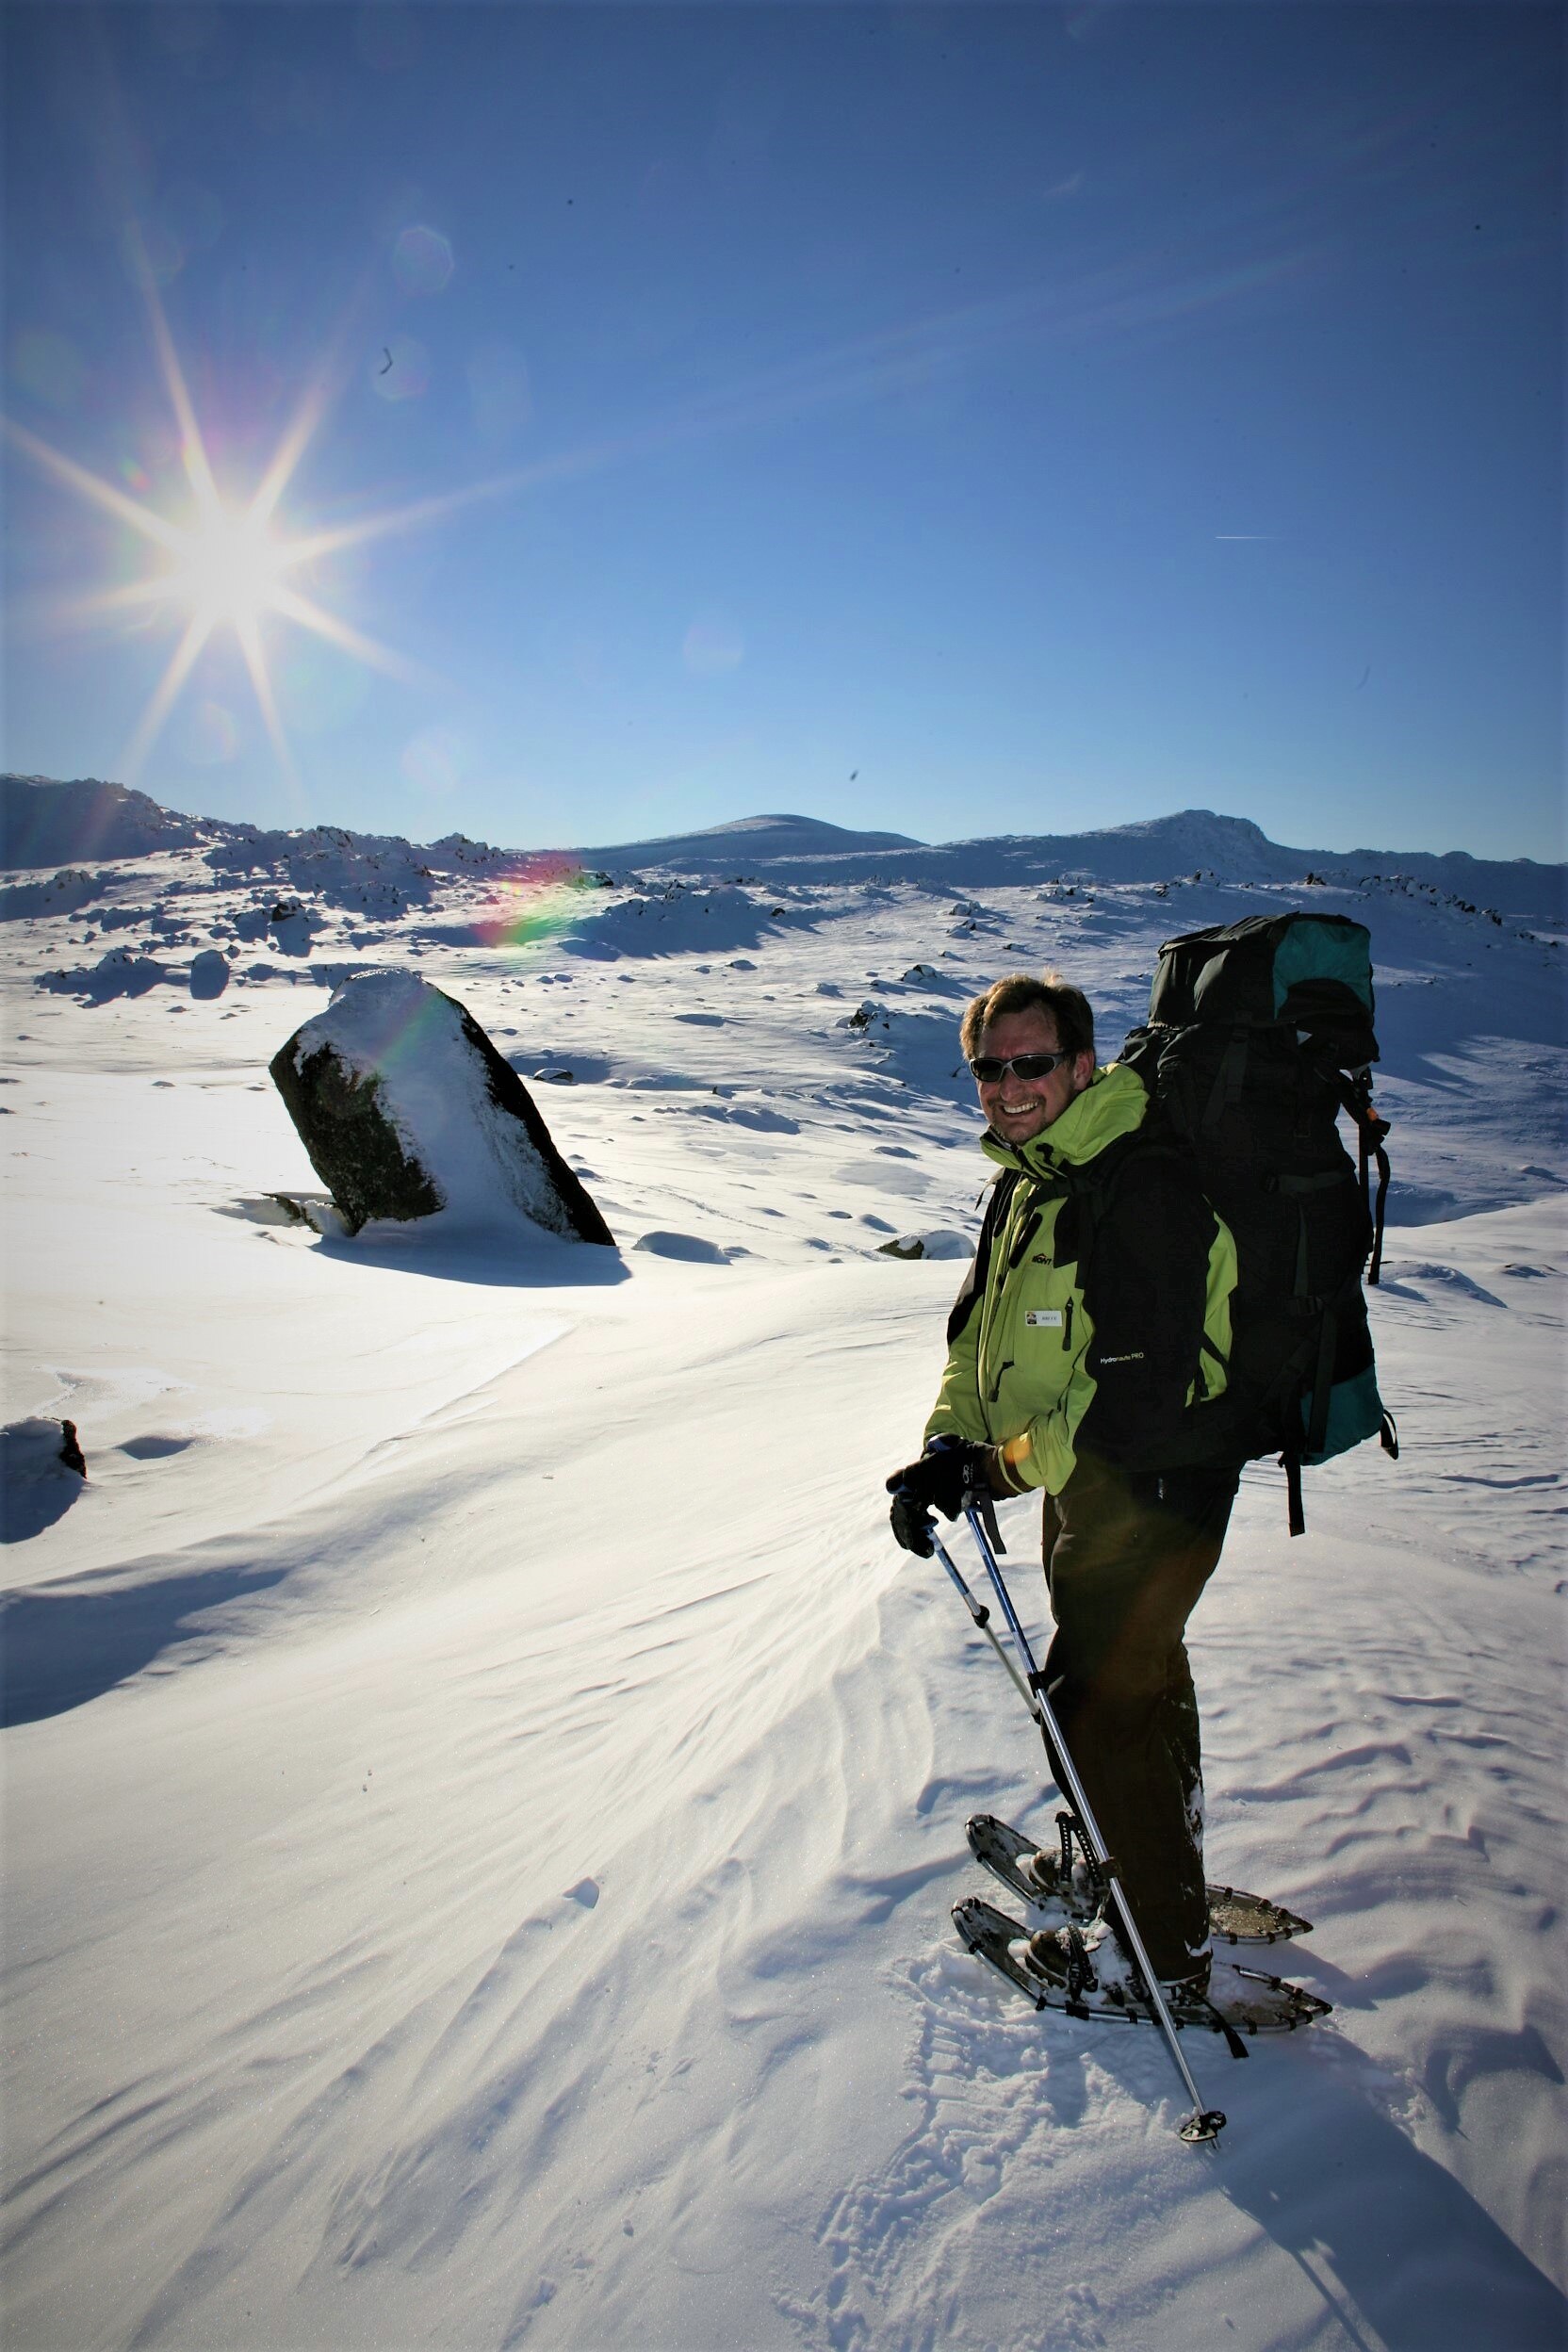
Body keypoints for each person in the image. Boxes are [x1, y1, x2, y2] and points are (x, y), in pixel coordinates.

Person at [885, 972, 1240, 1997]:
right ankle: (1146, 1864)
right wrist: (947, 1443)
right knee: (1133, 1685)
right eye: (988, 1068)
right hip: (1085, 1491)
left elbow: (1119, 1404)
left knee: (1092, 1710)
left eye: (1030, 1063)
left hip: (1155, 1482)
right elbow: (979, 1344)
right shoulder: (1029, 1179)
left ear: (1082, 1065)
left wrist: (994, 1469)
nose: (1005, 1085)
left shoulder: (1138, 1182)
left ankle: (1159, 1958)